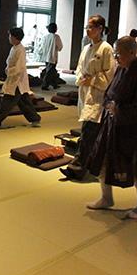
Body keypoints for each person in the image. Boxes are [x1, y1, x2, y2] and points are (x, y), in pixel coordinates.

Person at [85, 36, 137, 219]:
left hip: (132, 129)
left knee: (136, 165)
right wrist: (109, 105)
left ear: (131, 53)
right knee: (102, 159)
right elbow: (109, 93)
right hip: (112, 124)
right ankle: (106, 198)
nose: (116, 57)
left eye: (118, 53)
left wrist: (120, 110)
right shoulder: (121, 70)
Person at [60, 15, 115, 180]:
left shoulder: (106, 49)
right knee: (92, 134)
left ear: (100, 29)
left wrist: (94, 80)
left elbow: (110, 74)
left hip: (97, 97)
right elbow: (79, 67)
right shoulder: (86, 48)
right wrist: (81, 78)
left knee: (88, 134)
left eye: (91, 27)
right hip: (85, 93)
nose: (88, 30)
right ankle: (95, 164)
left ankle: (77, 168)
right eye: (87, 27)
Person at [0, 27, 41, 129]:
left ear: (15, 38)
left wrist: (9, 72)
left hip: (17, 80)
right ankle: (35, 118)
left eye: (10, 36)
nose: (9, 38)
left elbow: (19, 67)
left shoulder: (21, 50)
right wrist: (8, 70)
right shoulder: (14, 48)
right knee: (24, 101)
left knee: (7, 101)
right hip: (15, 78)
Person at [36, 22, 64, 90]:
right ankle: (44, 85)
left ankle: (54, 84)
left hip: (46, 57)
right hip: (52, 57)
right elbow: (60, 47)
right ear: (55, 29)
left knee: (52, 71)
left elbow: (41, 46)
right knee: (49, 72)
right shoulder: (56, 37)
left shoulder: (45, 37)